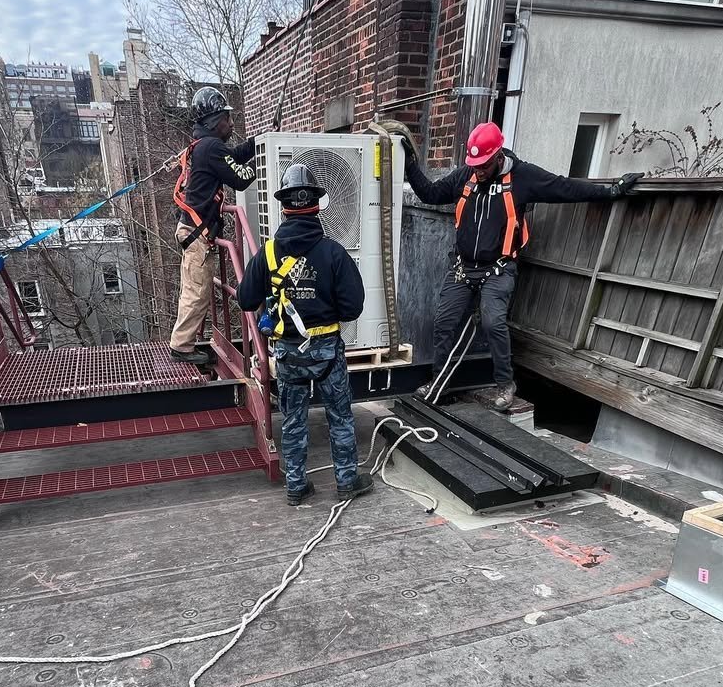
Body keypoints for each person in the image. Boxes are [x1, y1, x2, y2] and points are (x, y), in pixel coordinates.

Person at [405, 121, 643, 407]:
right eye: (474, 164)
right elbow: (430, 195)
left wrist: (612, 191)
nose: (477, 170)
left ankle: (505, 385)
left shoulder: (523, 177)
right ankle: (439, 383)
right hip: (462, 268)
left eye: (483, 164)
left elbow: (565, 188)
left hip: (499, 269)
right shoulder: (464, 177)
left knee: (493, 322)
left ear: (497, 156)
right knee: (443, 323)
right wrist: (410, 164)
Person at [237, 164, 373, 506]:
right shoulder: (334, 254)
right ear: (317, 205)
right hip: (326, 350)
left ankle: (296, 485)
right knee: (340, 416)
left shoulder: (267, 254)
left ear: (284, 207)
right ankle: (346, 481)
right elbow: (352, 308)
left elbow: (244, 298)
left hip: (288, 353)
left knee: (294, 420)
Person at [170, 86, 259, 367]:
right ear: (213, 121)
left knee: (195, 289)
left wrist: (257, 143)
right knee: (197, 291)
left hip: (192, 232)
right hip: (197, 235)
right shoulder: (211, 148)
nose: (231, 124)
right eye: (226, 118)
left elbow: (230, 159)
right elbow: (241, 177)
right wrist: (266, 159)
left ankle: (182, 342)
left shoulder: (204, 147)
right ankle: (181, 347)